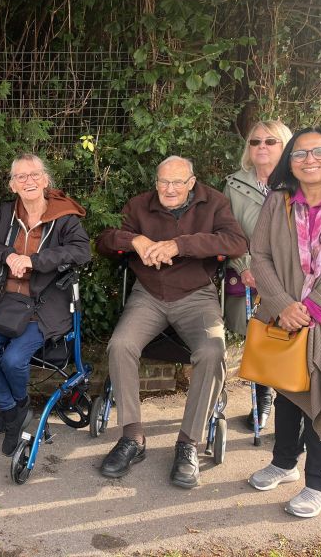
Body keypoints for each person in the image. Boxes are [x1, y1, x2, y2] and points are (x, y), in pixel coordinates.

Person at [95, 156, 247, 488]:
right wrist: (136, 241)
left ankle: (188, 443)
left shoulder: (214, 203)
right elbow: (105, 240)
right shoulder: (139, 206)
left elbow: (236, 243)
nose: (170, 189)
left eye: (178, 182)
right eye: (163, 182)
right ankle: (133, 438)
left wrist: (180, 245)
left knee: (212, 351)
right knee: (121, 345)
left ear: (192, 182)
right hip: (148, 293)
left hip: (197, 294)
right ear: (155, 182)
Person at [247, 128, 321, 518]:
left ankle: (319, 484)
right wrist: (282, 304)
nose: (309, 160)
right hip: (284, 314)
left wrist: (311, 308)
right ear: (288, 163)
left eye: (319, 151)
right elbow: (258, 256)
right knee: (287, 388)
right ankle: (284, 462)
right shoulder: (277, 202)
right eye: (299, 153)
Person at [0, 154, 91, 455]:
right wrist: (8, 256)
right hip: (5, 301)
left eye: (34, 175)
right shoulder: (4, 214)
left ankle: (17, 409)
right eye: (21, 177)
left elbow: (81, 251)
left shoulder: (63, 217)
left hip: (43, 305)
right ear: (13, 185)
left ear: (45, 180)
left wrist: (35, 261)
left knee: (13, 360)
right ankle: (14, 410)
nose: (29, 181)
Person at [223, 120, 292, 430]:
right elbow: (226, 231)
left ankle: (292, 411)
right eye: (255, 142)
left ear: (285, 146)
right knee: (260, 336)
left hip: (292, 276)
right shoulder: (234, 185)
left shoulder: (301, 182)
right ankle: (263, 399)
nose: (261, 146)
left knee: (293, 338)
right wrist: (246, 266)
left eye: (270, 141)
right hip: (250, 274)